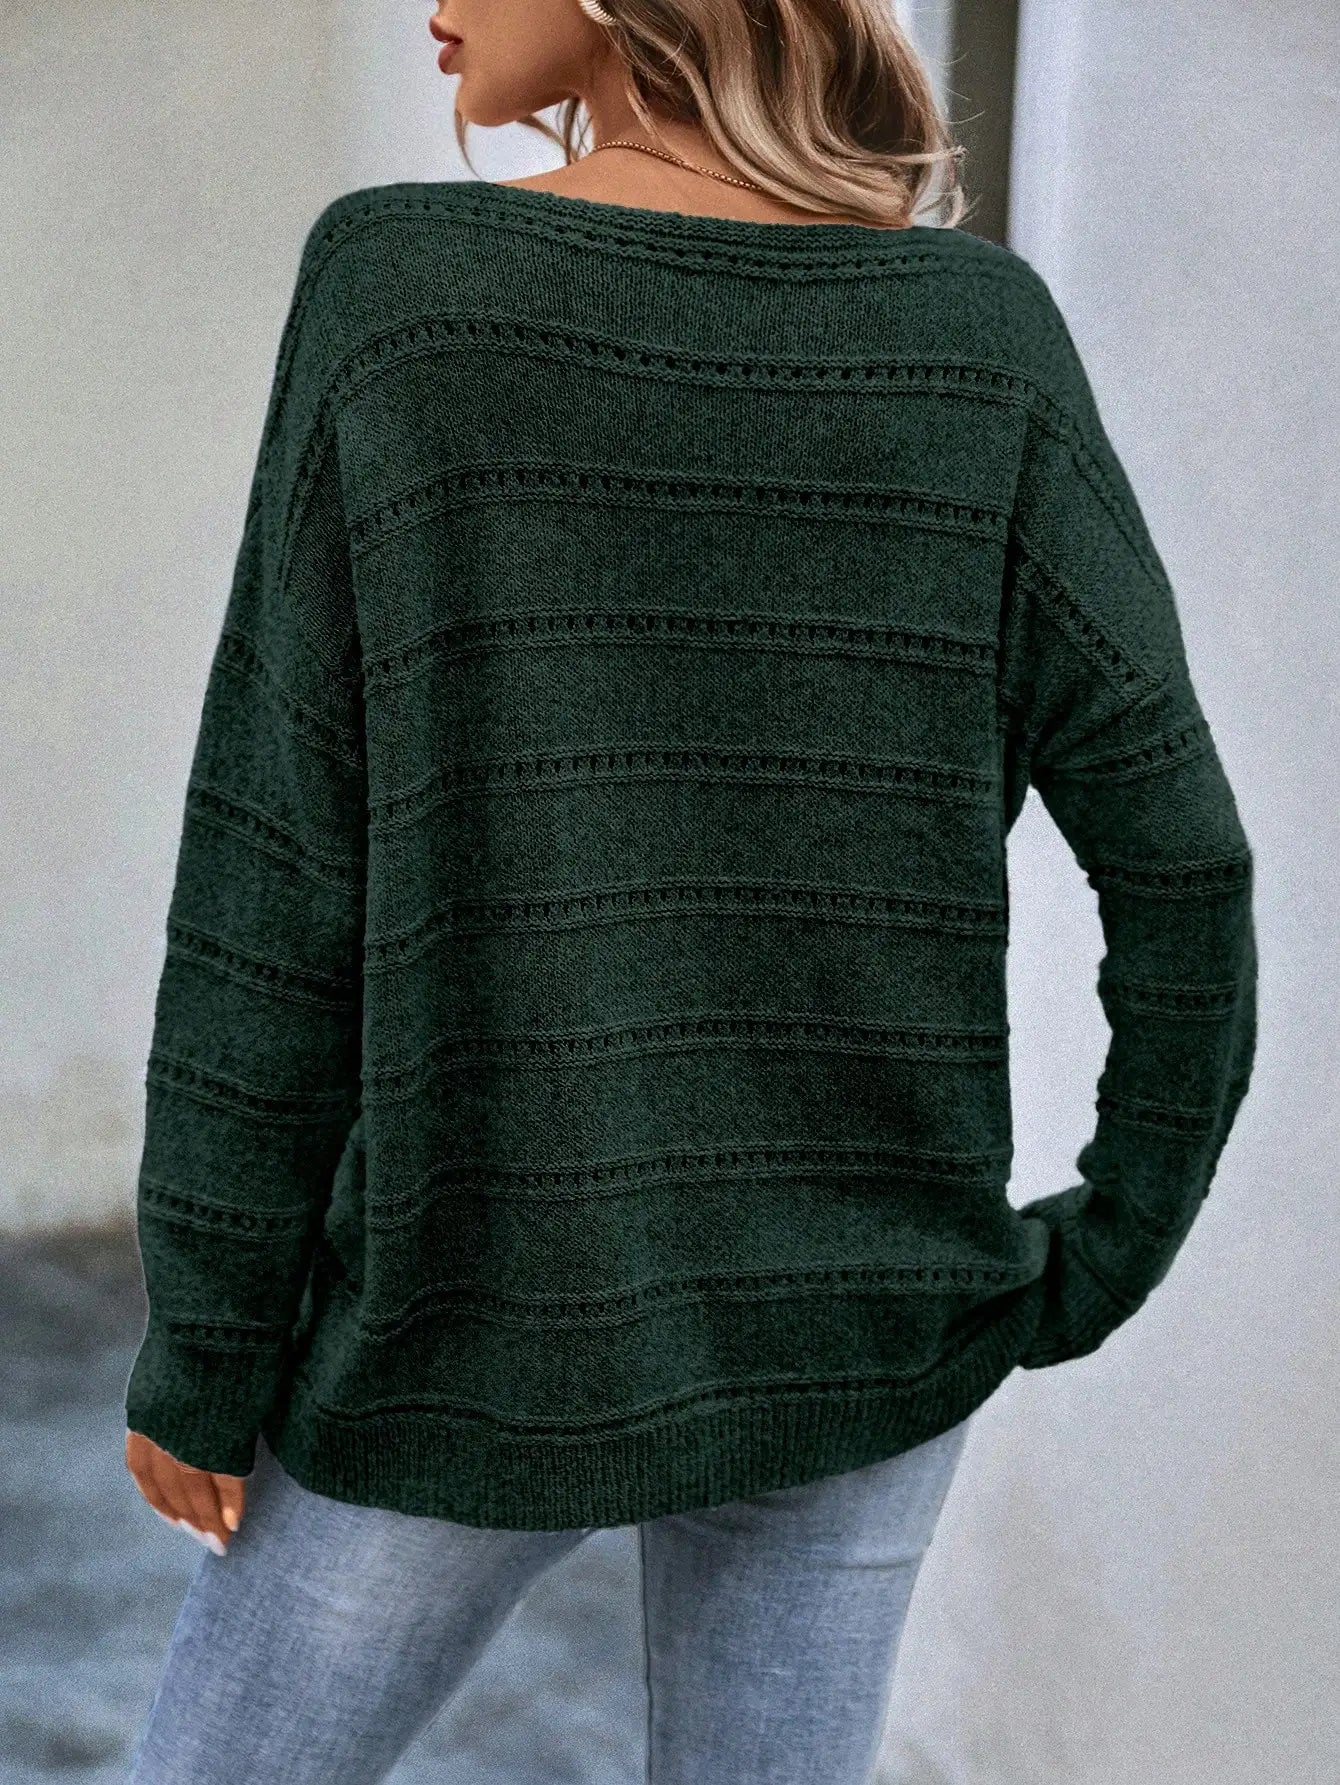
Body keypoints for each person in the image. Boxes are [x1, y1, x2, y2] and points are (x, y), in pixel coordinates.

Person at [122, 1, 1259, 1780]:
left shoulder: (403, 295)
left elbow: (276, 872)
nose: (435, 8)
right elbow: (1183, 857)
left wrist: (207, 1339)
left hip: (474, 1325)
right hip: (869, 1327)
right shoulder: (982, 345)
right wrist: (1098, 1253)